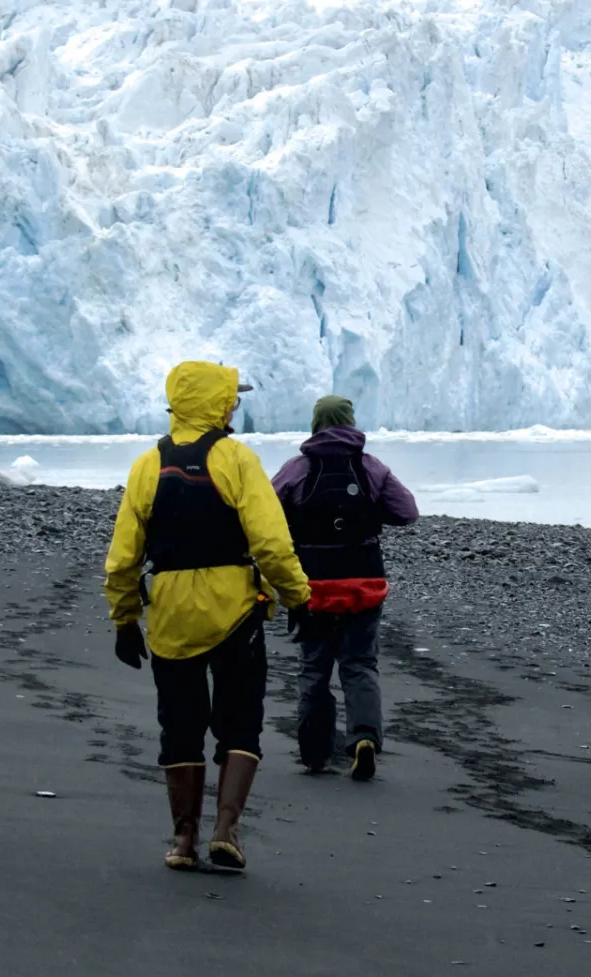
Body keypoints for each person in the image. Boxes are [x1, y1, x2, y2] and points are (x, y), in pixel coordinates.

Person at [104, 362, 311, 874]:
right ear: (217, 403)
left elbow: (123, 557)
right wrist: (297, 596)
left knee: (180, 723)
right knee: (241, 720)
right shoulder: (237, 459)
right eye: (231, 398)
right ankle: (227, 829)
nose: (235, 406)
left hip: (172, 613)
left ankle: (182, 839)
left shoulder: (146, 466)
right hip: (235, 609)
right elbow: (269, 540)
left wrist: (126, 618)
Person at [270, 394, 419, 781]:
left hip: (312, 585)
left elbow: (266, 514)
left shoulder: (297, 468)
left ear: (315, 423)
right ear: (351, 422)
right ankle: (364, 738)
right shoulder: (370, 467)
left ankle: (316, 754)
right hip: (363, 582)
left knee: (314, 666)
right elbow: (407, 512)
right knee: (359, 663)